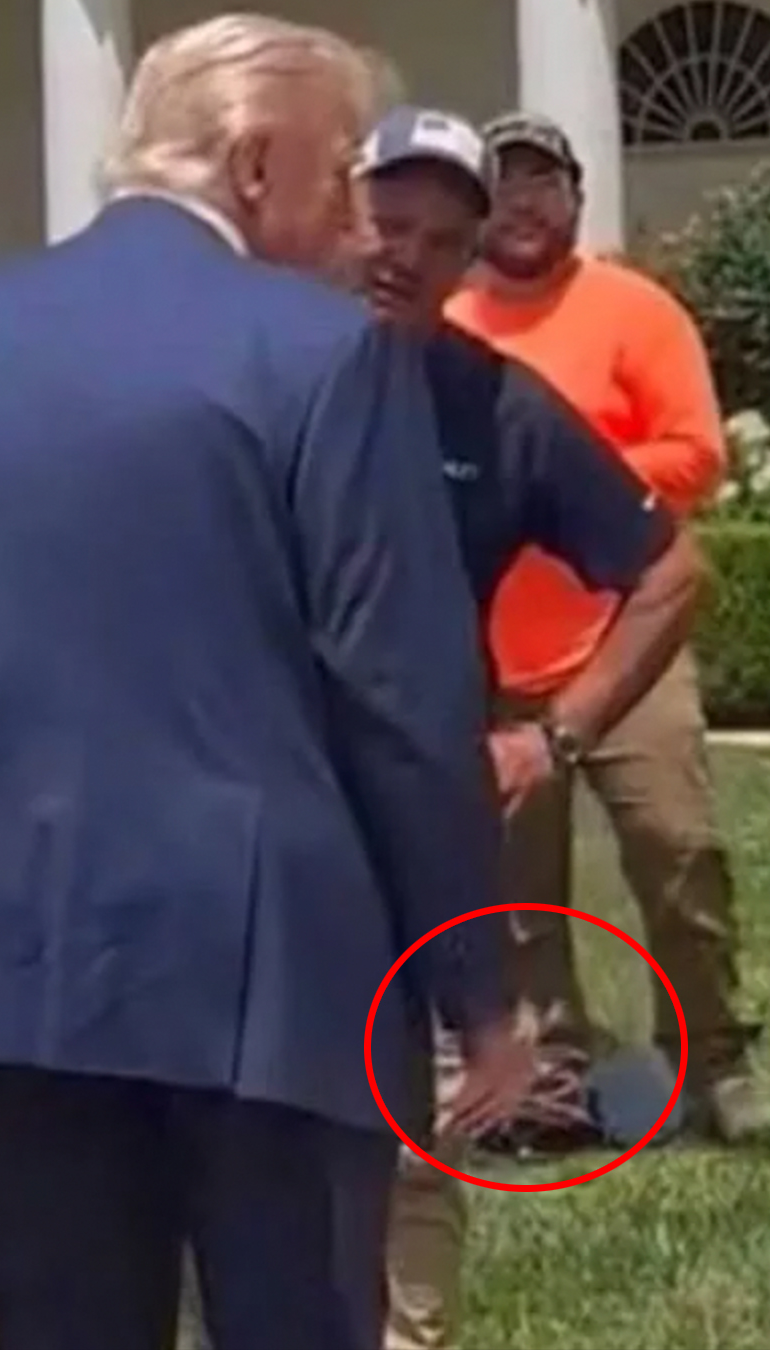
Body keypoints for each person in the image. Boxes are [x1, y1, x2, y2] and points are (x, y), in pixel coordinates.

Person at [0, 16, 535, 1350]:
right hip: (270, 975)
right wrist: (477, 986)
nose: (359, 225)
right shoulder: (329, 354)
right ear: (255, 162)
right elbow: (400, 702)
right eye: (341, 180)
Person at [355, 106, 705, 1350]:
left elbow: (670, 570)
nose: (405, 255)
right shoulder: (257, 371)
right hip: (243, 805)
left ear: (468, 260)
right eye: (387, 223)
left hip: (414, 811)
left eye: (440, 239)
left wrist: (549, 738)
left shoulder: (496, 406)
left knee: (405, 1127)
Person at [445, 110, 769, 1144]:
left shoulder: (635, 311)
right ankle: (552, 1079)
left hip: (629, 642)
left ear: (577, 199)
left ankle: (717, 1059)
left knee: (677, 845)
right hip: (493, 660)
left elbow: (696, 453)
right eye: (506, 183)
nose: (525, 202)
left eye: (545, 182)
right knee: (517, 890)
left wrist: (567, 477)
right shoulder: (449, 327)